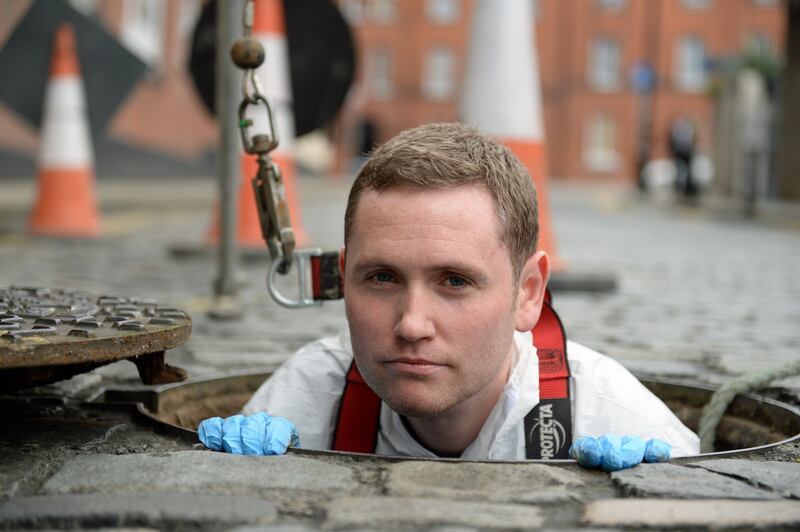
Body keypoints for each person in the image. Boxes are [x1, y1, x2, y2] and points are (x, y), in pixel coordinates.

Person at [199, 122, 700, 469]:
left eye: (455, 282)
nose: (412, 324)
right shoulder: (304, 403)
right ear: (344, 275)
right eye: (382, 278)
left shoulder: (610, 413)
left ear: (528, 294)